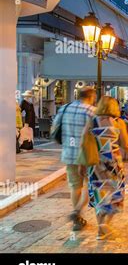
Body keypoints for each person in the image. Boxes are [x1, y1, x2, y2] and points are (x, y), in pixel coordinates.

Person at [87, 96, 128, 240]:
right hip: (113, 165)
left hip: (95, 164)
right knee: (115, 196)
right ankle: (105, 226)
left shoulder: (91, 121)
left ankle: (100, 230)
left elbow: (84, 141)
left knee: (99, 196)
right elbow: (125, 145)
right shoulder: (118, 122)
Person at [51, 86, 96, 231]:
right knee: (90, 185)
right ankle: (77, 211)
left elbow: (54, 129)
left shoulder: (64, 109)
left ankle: (77, 219)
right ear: (91, 96)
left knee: (75, 186)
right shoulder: (92, 111)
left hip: (69, 154)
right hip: (88, 155)